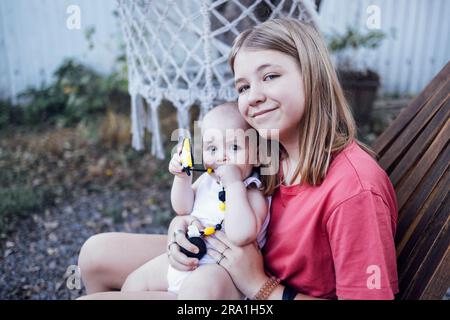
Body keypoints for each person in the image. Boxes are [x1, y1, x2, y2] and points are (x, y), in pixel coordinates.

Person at [77, 18, 398, 300]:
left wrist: (261, 286)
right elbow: (210, 201)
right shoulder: (270, 151)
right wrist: (181, 228)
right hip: (229, 258)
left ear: (313, 77)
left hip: (254, 285)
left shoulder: (354, 191)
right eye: (243, 86)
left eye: (270, 76)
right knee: (95, 254)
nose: (253, 96)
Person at [120, 102, 271, 299]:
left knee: (196, 292)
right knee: (134, 282)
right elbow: (182, 208)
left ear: (257, 155)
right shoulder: (207, 181)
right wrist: (182, 178)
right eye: (212, 148)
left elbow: (241, 235)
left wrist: (234, 184)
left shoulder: (252, 191)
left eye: (234, 147)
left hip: (222, 274)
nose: (222, 157)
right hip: (190, 259)